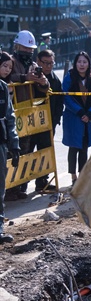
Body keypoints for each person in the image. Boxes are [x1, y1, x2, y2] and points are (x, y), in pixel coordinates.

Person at [9, 30, 50, 199]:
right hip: (12, 112)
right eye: (25, 48)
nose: (28, 52)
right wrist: (24, 77)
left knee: (25, 150)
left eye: (30, 49)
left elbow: (45, 86)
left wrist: (42, 82)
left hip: (28, 114)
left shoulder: (33, 65)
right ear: (17, 46)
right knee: (12, 151)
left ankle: (20, 187)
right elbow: (6, 76)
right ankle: (9, 189)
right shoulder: (9, 61)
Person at [62, 51, 91, 186]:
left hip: (88, 120)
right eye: (79, 62)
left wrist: (90, 114)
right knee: (73, 148)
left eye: (84, 62)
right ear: (75, 63)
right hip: (74, 118)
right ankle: (73, 177)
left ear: (88, 64)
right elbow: (66, 97)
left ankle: (82, 177)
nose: (82, 64)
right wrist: (79, 112)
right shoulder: (69, 78)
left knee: (84, 148)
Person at [31, 49, 64, 192]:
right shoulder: (32, 78)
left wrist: (55, 120)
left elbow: (59, 101)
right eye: (45, 63)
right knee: (28, 152)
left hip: (48, 123)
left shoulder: (55, 80)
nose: (48, 66)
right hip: (31, 122)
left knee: (45, 152)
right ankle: (21, 186)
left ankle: (42, 181)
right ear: (38, 62)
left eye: (51, 63)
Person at [0, 53, 20, 243]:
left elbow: (10, 117)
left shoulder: (4, 88)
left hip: (1, 142)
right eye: (4, 66)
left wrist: (15, 145)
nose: (7, 70)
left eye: (9, 67)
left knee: (0, 188)